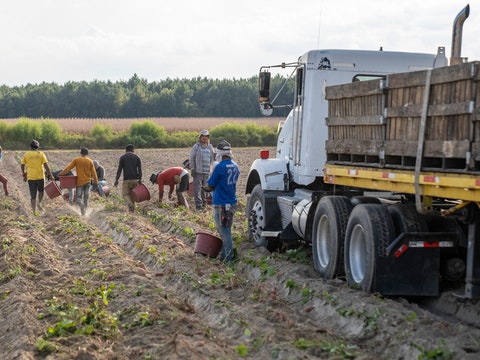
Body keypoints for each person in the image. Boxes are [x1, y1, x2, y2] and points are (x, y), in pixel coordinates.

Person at [203, 140, 240, 263]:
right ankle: (224, 255)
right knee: (227, 229)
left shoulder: (219, 167)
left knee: (224, 231)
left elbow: (210, 185)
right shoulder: (235, 165)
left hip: (221, 204)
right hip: (232, 202)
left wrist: (205, 188)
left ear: (219, 154)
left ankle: (228, 258)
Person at [59, 147, 98, 216]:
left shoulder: (76, 160)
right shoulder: (90, 161)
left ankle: (81, 204)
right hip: (88, 182)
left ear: (80, 153)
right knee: (86, 197)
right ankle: (84, 213)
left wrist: (61, 174)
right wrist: (96, 182)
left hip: (79, 182)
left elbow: (68, 168)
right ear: (87, 154)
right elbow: (94, 173)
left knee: (78, 198)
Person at [21, 140, 54, 214]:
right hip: (40, 177)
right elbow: (46, 166)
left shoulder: (27, 154)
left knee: (33, 195)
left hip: (31, 178)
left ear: (30, 147)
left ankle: (34, 211)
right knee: (41, 191)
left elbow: (22, 165)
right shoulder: (41, 154)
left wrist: (24, 174)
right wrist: (51, 175)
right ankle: (39, 203)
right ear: (38, 147)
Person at [189, 129, 215, 210]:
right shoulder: (196, 146)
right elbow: (191, 157)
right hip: (198, 171)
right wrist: (192, 168)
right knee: (197, 189)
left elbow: (213, 158)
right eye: (203, 136)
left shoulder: (210, 147)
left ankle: (204, 204)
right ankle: (198, 205)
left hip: (207, 172)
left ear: (208, 138)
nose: (204, 138)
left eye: (206, 136)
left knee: (204, 189)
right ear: (200, 138)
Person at [114, 144, 142, 213]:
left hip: (126, 180)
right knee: (133, 195)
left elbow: (119, 170)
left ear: (126, 150)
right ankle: (131, 212)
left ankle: (130, 205)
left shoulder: (123, 157)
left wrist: (116, 180)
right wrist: (140, 179)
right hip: (135, 180)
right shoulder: (137, 157)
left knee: (125, 194)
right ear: (133, 150)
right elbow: (140, 170)